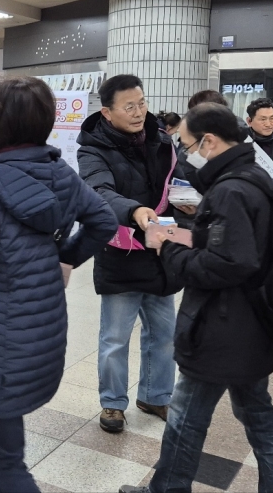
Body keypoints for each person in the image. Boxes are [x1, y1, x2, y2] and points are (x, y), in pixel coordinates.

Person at [0, 78, 118, 493]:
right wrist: (65, 257)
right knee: (0, 431)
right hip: (42, 326)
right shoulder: (62, 174)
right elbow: (104, 221)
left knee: (8, 461)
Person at [120, 103, 273, 493]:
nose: (186, 154)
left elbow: (230, 263)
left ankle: (167, 489)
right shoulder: (251, 176)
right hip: (253, 324)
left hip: (222, 327)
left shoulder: (231, 189)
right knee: (258, 414)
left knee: (185, 417)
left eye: (188, 145)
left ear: (210, 141)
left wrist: (169, 249)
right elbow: (237, 246)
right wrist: (191, 234)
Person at [77, 74, 182, 434]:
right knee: (114, 338)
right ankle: (112, 402)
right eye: (129, 107)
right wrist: (134, 210)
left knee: (164, 334)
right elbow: (98, 191)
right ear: (107, 113)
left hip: (159, 250)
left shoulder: (162, 140)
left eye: (142, 103)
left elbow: (176, 184)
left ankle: (156, 395)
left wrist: (189, 204)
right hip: (121, 251)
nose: (139, 112)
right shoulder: (92, 148)